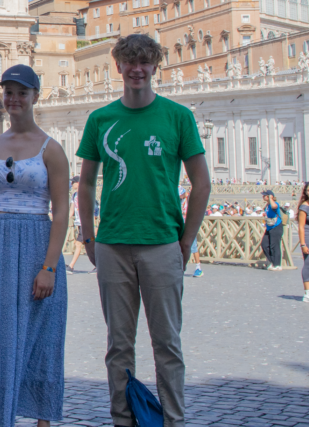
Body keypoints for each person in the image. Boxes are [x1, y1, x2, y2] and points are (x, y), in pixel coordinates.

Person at [76, 34, 210, 427]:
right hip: (113, 244)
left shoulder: (178, 117)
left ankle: (173, 421)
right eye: (130, 62)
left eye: (145, 62)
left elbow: (201, 183)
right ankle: (123, 419)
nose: (137, 69)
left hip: (163, 242)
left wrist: (187, 238)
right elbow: (84, 183)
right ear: (118, 66)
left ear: (155, 67)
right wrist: (88, 235)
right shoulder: (100, 119)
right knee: (118, 345)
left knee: (167, 343)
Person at [0, 66, 70, 427]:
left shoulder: (51, 149)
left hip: (36, 239)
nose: (13, 99)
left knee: (41, 329)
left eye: (21, 92)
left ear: (35, 96)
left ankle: (42, 419)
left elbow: (61, 213)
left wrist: (50, 266)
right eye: (8, 92)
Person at [260, 190, 285, 271]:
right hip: (269, 227)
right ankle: (271, 261)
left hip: (276, 226)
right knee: (264, 244)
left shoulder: (274, 204)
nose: (263, 197)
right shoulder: (267, 206)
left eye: (264, 195)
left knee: (275, 245)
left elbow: (274, 207)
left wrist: (271, 198)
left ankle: (277, 264)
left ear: (269, 196)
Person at [180, 187, 202, 278]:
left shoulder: (189, 199)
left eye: (181, 195)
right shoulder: (180, 201)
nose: (180, 197)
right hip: (182, 225)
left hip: (190, 225)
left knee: (193, 247)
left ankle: (198, 268)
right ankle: (180, 267)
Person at [66, 176, 87, 273]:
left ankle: (71, 266)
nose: (71, 184)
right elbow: (71, 210)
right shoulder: (74, 195)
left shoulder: (85, 193)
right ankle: (97, 265)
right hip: (78, 222)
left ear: (78, 183)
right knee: (87, 244)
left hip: (85, 222)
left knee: (78, 244)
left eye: (73, 182)